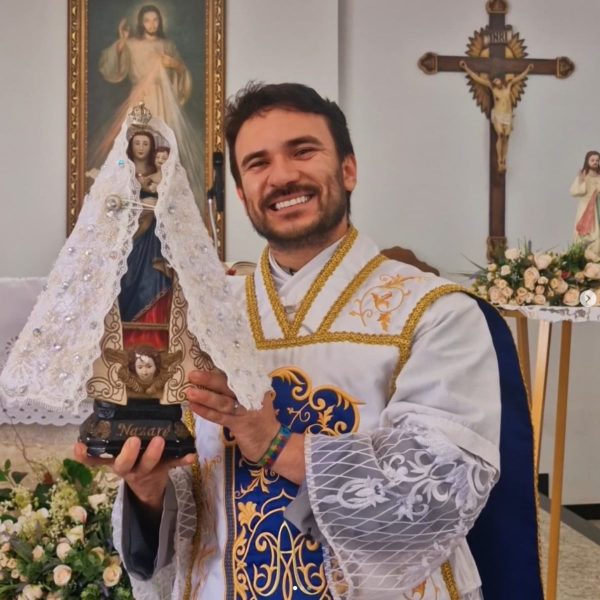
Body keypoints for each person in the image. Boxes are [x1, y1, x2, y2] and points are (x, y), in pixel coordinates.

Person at [75, 83, 541, 600]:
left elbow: (432, 498)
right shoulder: (206, 315)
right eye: (256, 163)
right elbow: (193, 498)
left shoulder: (434, 312)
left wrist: (274, 440)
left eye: (303, 150)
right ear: (244, 192)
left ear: (348, 170)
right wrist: (146, 487)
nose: (282, 176)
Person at [94, 4, 204, 206]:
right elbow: (111, 65)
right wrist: (122, 41)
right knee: (135, 143)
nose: (151, 24)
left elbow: (181, 74)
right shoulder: (132, 44)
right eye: (147, 20)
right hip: (141, 98)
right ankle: (135, 191)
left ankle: (162, 190)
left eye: (155, 20)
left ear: (160, 22)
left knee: (163, 144)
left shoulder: (167, 44)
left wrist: (175, 66)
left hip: (163, 99)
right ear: (141, 23)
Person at [118, 131, 172, 350]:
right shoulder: (123, 167)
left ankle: (153, 336)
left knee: (154, 276)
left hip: (153, 238)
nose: (141, 147)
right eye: (137, 143)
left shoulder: (156, 171)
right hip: (132, 230)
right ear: (131, 145)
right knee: (128, 275)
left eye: (146, 144)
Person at [460, 61, 533, 173]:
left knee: (507, 137)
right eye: (494, 81)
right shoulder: (493, 89)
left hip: (507, 116)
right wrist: (466, 69)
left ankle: (504, 160)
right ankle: (499, 160)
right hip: (498, 115)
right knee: (501, 135)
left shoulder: (508, 86)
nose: (495, 81)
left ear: (501, 81)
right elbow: (478, 79)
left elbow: (519, 78)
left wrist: (527, 70)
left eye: (497, 80)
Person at [570, 150, 600, 253]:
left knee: (597, 235)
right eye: (592, 160)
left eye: (597, 160)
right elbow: (574, 192)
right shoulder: (584, 176)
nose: (595, 162)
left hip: (598, 209)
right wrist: (581, 181)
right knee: (584, 236)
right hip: (585, 209)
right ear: (587, 161)